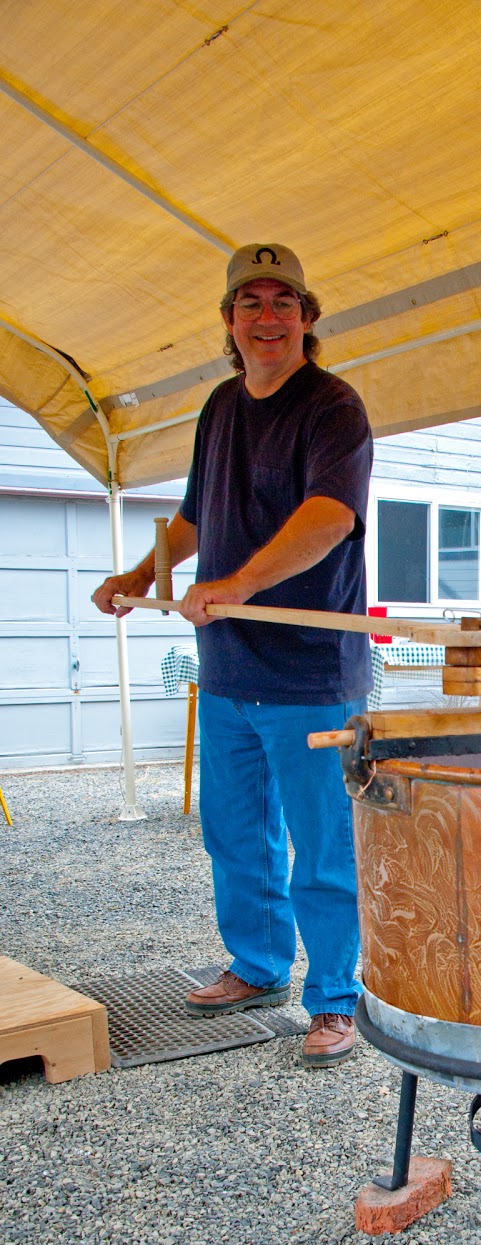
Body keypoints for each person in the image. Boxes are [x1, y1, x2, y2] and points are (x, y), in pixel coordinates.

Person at [94, 243, 373, 1066]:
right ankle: (256, 968)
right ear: (228, 322)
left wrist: (242, 582)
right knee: (236, 833)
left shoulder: (333, 406)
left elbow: (331, 516)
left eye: (283, 302)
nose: (267, 317)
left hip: (311, 673)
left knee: (322, 845)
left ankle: (333, 999)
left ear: (307, 317)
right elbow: (192, 517)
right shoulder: (220, 408)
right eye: (250, 304)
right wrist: (141, 573)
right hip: (228, 667)